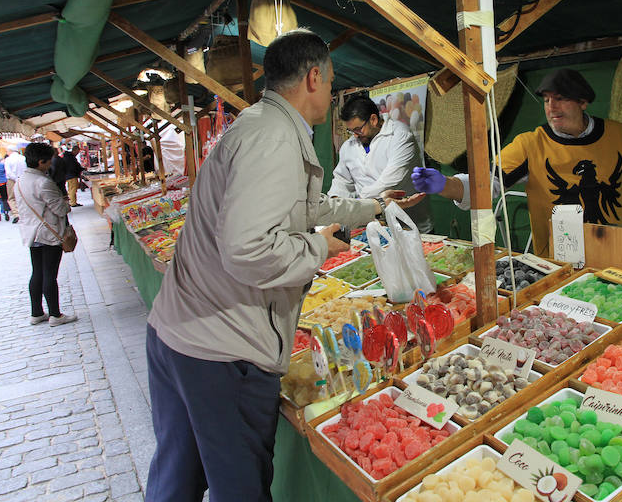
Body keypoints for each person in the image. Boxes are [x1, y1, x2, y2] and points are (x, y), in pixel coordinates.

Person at [144, 28, 424, 502]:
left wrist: (371, 209)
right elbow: (249, 249)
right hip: (222, 349)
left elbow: (307, 207)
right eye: (332, 82)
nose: (333, 95)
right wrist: (320, 249)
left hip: (183, 333)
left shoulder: (260, 125)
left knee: (178, 478)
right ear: (314, 77)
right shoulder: (273, 139)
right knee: (241, 489)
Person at [412, 68, 622, 258]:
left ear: (583, 102)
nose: (552, 107)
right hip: (559, 258)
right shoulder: (530, 144)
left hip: (619, 251)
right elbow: (487, 184)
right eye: (546, 100)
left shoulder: (621, 135)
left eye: (561, 98)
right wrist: (446, 184)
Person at [328, 94, 433, 233]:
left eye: (358, 129)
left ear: (373, 119)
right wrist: (335, 203)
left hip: (409, 225)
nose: (355, 135)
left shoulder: (400, 135)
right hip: (371, 226)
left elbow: (390, 182)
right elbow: (342, 181)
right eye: (351, 130)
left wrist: (356, 204)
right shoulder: (349, 147)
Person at [15, 143, 78, 326]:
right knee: (50, 273)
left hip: (31, 232)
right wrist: (66, 203)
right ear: (41, 161)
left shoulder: (20, 181)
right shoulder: (43, 182)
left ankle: (36, 312)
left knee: (37, 272)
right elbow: (59, 209)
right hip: (48, 233)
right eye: (49, 160)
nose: (51, 163)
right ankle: (55, 315)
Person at [4, 146, 27, 224]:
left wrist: (15, 178)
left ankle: (16, 214)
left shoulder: (8, 159)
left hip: (12, 180)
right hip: (23, 178)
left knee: (11, 198)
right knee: (23, 196)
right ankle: (24, 212)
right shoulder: (23, 158)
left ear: (10, 151)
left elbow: (8, 172)